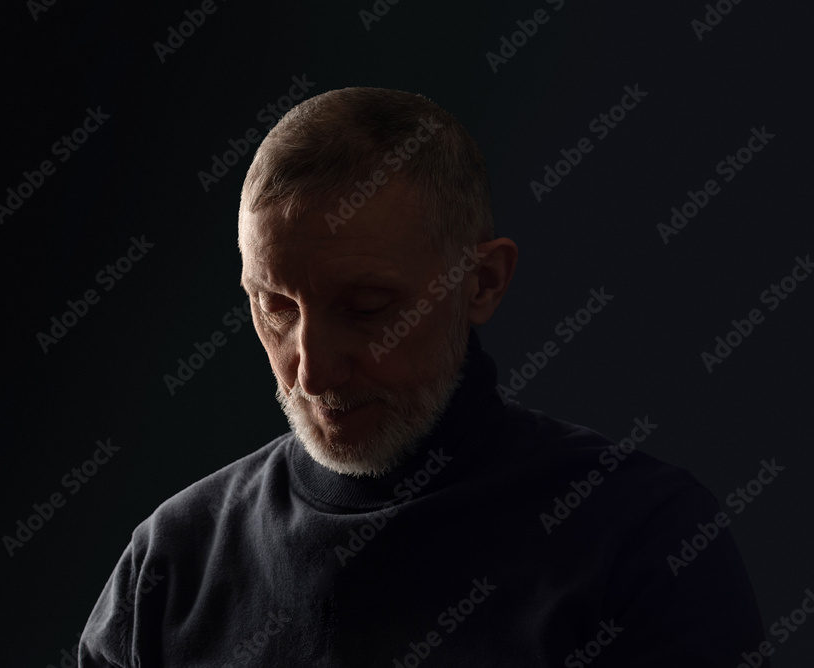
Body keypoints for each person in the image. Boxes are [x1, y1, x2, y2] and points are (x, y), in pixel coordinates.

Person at [79, 87, 767, 666]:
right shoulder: (169, 566)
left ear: (483, 282)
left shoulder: (644, 540)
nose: (312, 372)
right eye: (275, 308)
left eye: (367, 308)